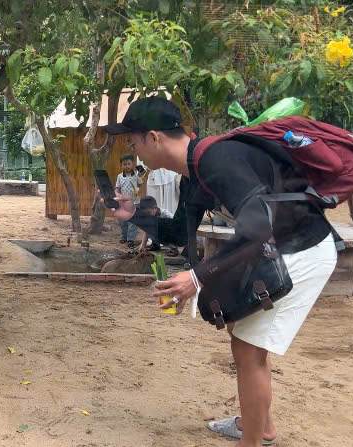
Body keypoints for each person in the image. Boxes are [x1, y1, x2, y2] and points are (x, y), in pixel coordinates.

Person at [106, 96, 337, 447]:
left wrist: (196, 278)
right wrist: (132, 215)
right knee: (239, 328)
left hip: (302, 248)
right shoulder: (193, 173)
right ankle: (258, 425)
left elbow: (258, 227)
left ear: (153, 138)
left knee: (247, 347)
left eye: (133, 140)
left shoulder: (216, 158)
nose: (133, 149)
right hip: (274, 247)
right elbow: (179, 231)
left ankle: (255, 438)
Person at [115, 154, 144, 248]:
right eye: (124, 164)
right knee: (123, 221)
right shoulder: (119, 176)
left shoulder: (136, 175)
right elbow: (117, 188)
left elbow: (140, 184)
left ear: (132, 164)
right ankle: (124, 236)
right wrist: (117, 197)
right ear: (121, 165)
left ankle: (130, 239)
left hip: (134, 202)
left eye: (128, 164)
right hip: (123, 203)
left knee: (132, 222)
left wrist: (140, 173)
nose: (126, 166)